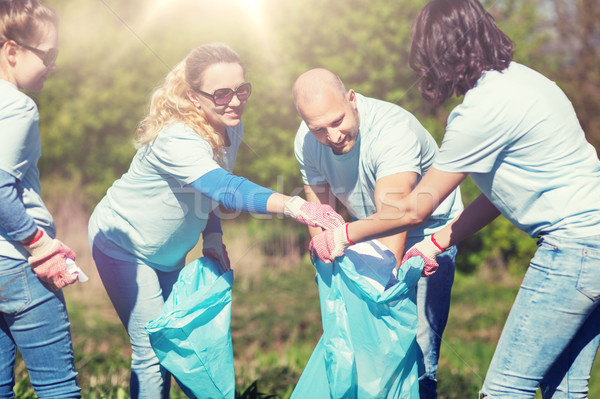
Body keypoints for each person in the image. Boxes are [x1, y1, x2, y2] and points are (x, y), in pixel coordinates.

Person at [309, 0, 600, 397]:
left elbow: (415, 207)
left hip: (574, 251)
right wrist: (438, 240)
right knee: (564, 387)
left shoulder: (479, 111)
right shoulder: (530, 82)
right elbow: (500, 198)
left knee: (503, 390)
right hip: (592, 246)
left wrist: (344, 235)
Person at [88, 43, 344, 398]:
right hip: (124, 246)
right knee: (151, 353)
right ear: (194, 97)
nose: (235, 101)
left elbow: (211, 187)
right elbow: (224, 187)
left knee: (183, 343)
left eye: (241, 90)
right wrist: (297, 207)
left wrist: (212, 234)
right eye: (221, 93)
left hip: (170, 253)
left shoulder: (228, 125)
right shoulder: (176, 137)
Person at [292, 68, 464, 398]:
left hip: (427, 235)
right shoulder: (306, 141)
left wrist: (379, 285)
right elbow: (318, 205)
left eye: (338, 121)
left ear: (352, 99)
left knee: (414, 351)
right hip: (367, 231)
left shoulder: (391, 131)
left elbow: (397, 216)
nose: (333, 136)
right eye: (319, 129)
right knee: (362, 349)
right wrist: (326, 264)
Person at [0, 0, 82, 397]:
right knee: (57, 388)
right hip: (20, 264)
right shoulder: (17, 107)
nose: (54, 64)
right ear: (12, 51)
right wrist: (42, 246)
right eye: (47, 54)